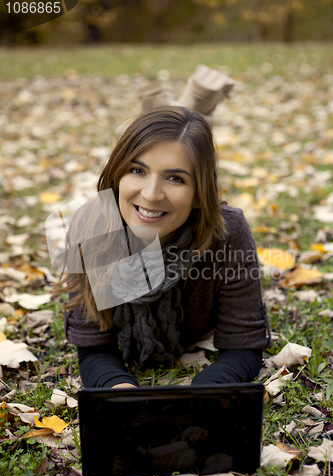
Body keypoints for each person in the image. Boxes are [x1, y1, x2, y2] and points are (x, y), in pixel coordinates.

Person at [56, 106, 271, 389]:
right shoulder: (90, 226)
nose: (151, 194)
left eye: (175, 178)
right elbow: (94, 348)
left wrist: (203, 394)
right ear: (118, 175)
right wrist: (121, 395)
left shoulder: (227, 232)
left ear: (199, 194)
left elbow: (243, 345)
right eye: (137, 170)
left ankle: (200, 101)